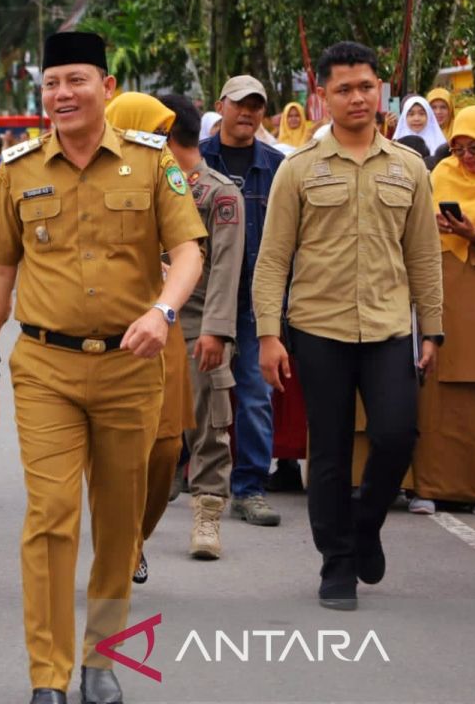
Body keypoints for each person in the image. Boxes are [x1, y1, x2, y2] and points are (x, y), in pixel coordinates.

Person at [0, 31, 205, 704]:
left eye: (76, 81)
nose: (62, 94)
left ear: (106, 88)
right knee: (50, 513)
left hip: (132, 366)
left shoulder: (153, 164)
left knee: (120, 516)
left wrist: (162, 310)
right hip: (45, 365)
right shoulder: (16, 169)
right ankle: (48, 673)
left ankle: (102, 655)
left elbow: (189, 249)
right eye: (51, 84)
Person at [254, 41, 443, 610]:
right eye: (343, 89)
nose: (356, 97)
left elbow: (425, 258)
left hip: (388, 329)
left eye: (365, 86)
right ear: (322, 98)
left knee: (397, 434)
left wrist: (431, 331)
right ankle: (336, 564)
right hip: (318, 329)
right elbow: (273, 259)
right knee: (330, 451)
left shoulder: (409, 169)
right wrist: (268, 334)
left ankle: (364, 526)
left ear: (379, 90)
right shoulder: (299, 169)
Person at [101, 92, 196, 585]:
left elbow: (189, 245)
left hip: (162, 322)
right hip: (100, 329)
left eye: (162, 134)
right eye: (149, 131)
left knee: (165, 448)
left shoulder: (169, 173)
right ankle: (117, 546)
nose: (159, 142)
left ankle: (137, 536)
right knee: (113, 451)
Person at [160, 93, 245, 559]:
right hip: (146, 326)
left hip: (196, 327)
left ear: (167, 137)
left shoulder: (218, 193)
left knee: (210, 428)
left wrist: (217, 331)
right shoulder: (149, 187)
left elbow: (227, 269)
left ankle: (207, 515)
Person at [199, 74, 286, 527]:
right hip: (203, 300)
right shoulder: (193, 160)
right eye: (239, 104)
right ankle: (192, 475)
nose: (248, 112)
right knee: (194, 391)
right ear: (222, 106)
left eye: (256, 105)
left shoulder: (276, 165)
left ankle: (249, 488)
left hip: (256, 302)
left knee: (254, 395)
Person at [409, 106, 475, 517]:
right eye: (459, 147)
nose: (465, 157)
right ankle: (427, 486)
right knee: (434, 392)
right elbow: (409, 227)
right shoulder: (437, 176)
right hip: (440, 293)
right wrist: (431, 223)